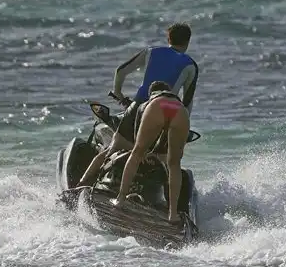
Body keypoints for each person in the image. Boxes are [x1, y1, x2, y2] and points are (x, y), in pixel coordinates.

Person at [74, 22, 198, 187]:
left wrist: (118, 93)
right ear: (188, 41)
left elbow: (120, 71)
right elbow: (187, 103)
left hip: (136, 108)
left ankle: (80, 185)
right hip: (162, 114)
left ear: (168, 39)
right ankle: (167, 199)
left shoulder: (151, 52)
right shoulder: (190, 66)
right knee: (166, 162)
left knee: (110, 150)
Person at [111, 81, 190, 223]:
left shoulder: (149, 102)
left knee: (136, 154)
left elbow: (137, 139)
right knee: (174, 164)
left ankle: (120, 199)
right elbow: (169, 144)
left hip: (157, 106)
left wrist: (143, 152)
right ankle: (173, 214)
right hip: (180, 110)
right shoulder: (175, 100)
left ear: (151, 93)